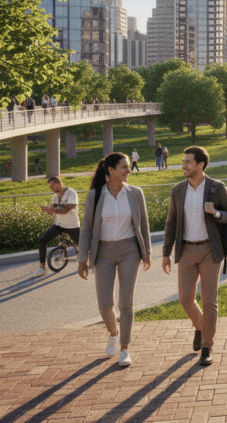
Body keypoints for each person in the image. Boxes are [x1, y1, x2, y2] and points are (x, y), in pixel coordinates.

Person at [162, 146, 227, 367]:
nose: (183, 165)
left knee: (209, 301)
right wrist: (166, 252)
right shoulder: (178, 190)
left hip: (209, 250)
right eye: (183, 161)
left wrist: (215, 212)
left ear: (200, 165)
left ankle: (207, 346)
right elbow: (171, 222)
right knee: (185, 298)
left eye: (188, 162)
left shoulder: (216, 188)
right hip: (185, 250)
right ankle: (200, 326)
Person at [77, 153, 151, 368]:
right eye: (124, 167)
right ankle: (113, 332)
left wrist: (146, 252)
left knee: (126, 303)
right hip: (103, 253)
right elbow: (87, 229)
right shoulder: (95, 196)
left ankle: (124, 348)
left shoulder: (136, 193)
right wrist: (82, 259)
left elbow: (143, 225)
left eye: (128, 167)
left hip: (130, 250)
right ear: (110, 170)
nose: (129, 171)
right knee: (105, 304)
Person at [33, 176, 80, 276]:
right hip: (59, 224)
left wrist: (54, 209)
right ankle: (42, 268)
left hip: (72, 225)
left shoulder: (71, 193)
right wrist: (48, 210)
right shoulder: (55, 196)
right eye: (49, 187)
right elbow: (55, 209)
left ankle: (83, 263)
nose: (51, 188)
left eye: (52, 186)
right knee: (43, 240)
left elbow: (69, 207)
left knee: (79, 246)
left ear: (59, 183)